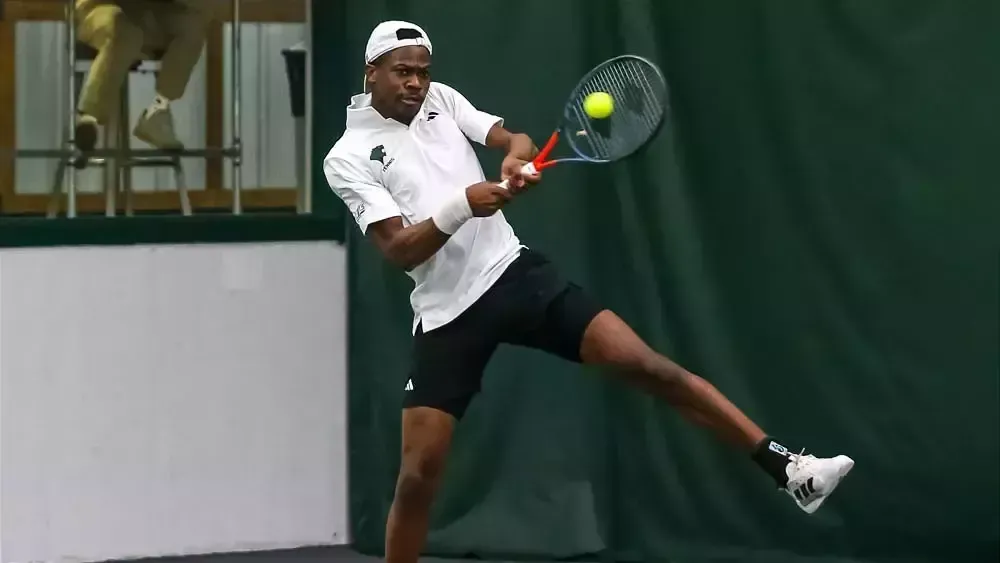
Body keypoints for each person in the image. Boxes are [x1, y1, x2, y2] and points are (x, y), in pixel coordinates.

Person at [323, 21, 855, 563]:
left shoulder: (442, 99)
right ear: (372, 73)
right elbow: (399, 249)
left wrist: (514, 156)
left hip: (514, 275)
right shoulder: (348, 157)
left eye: (423, 71)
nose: (416, 83)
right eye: (403, 72)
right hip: (446, 315)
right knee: (418, 474)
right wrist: (463, 204)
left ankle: (790, 470)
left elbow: (514, 139)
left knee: (649, 366)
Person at [73, 0, 221, 152]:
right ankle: (88, 118)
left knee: (192, 27)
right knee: (124, 31)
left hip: (151, 12)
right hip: (101, 9)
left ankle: (158, 110)